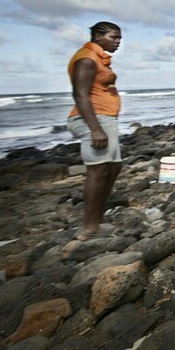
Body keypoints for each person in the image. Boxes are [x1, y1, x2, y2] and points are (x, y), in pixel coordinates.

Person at [67, 21, 124, 240]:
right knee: (98, 171)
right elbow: (80, 95)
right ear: (98, 37)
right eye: (113, 37)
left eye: (119, 38)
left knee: (113, 167)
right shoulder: (86, 59)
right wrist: (95, 129)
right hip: (95, 119)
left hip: (104, 118)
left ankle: (97, 219)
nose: (118, 42)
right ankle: (89, 227)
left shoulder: (99, 59)